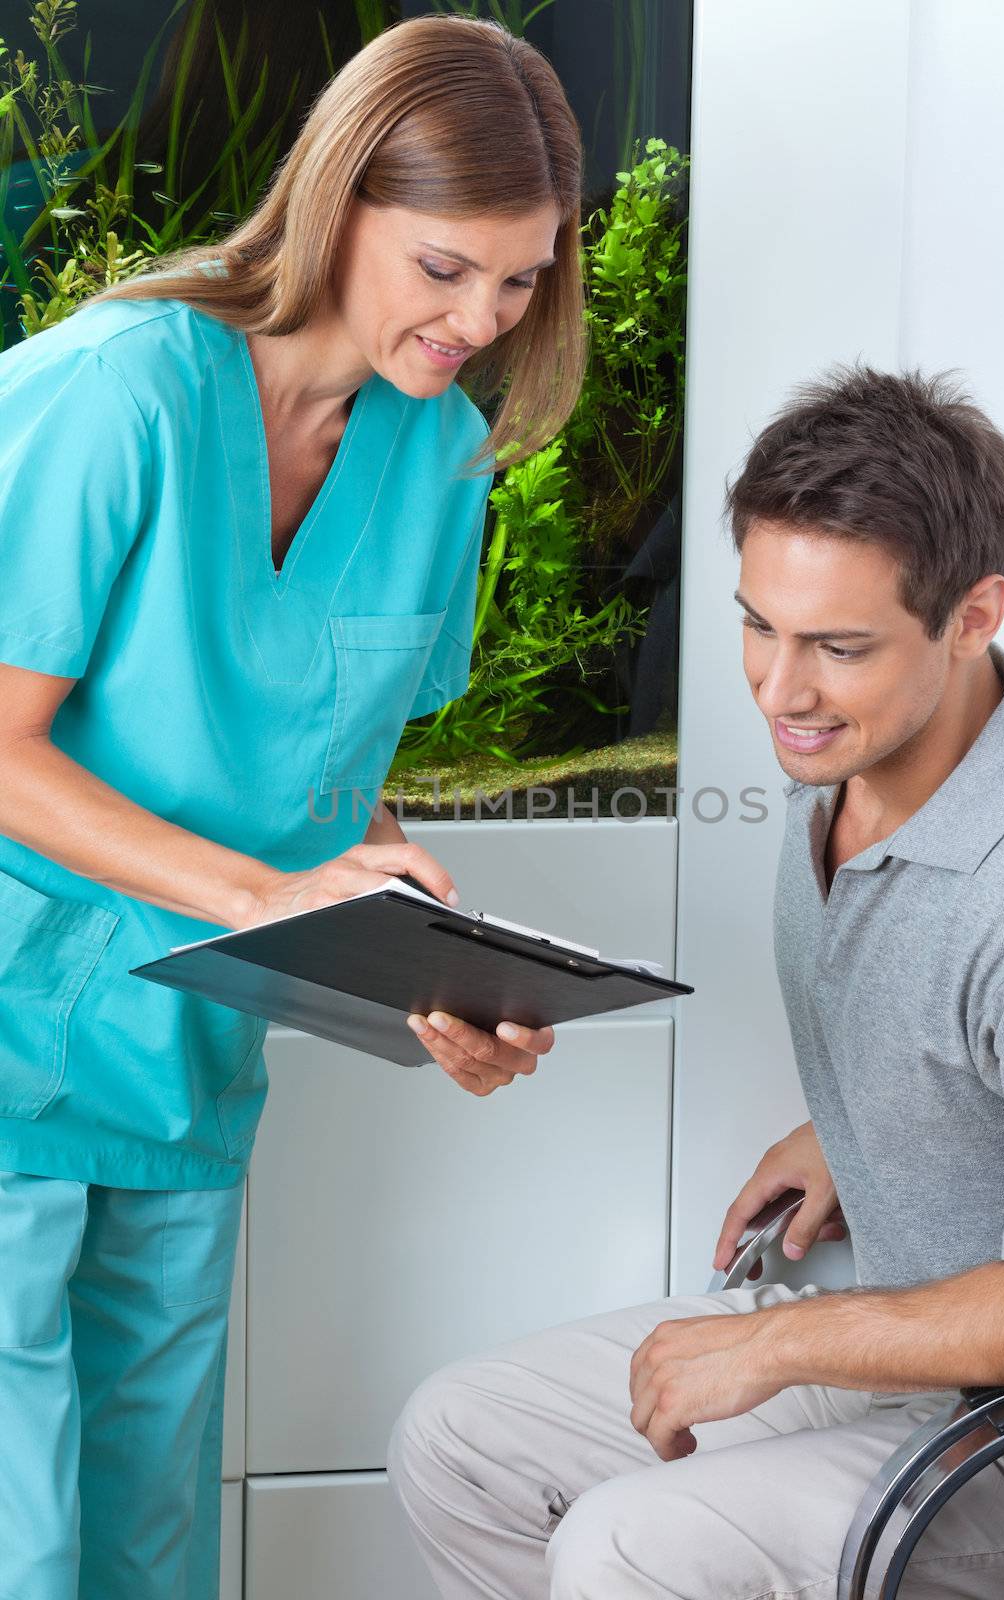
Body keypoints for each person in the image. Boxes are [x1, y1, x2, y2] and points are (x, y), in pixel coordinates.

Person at [0, 15, 586, 1598]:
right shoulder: (119, 391)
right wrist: (265, 900)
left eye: (524, 277)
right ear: (338, 205)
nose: (483, 316)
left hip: (184, 1070)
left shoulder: (439, 457)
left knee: (150, 1546)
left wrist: (411, 948)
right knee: (21, 1550)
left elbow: (338, 776)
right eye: (446, 266)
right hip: (8, 1052)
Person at [388, 367, 1004, 1599]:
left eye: (837, 646)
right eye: (759, 622)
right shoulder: (855, 758)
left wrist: (784, 1338)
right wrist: (873, 1120)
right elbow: (965, 1014)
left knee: (627, 1545)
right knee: (461, 1437)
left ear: (974, 615)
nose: (778, 688)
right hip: (905, 1335)